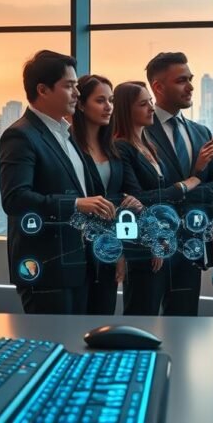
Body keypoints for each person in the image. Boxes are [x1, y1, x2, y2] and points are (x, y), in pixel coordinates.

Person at [0, 50, 117, 315]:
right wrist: (76, 204)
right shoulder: (20, 136)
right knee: (55, 348)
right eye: (69, 86)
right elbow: (15, 199)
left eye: (76, 86)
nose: (77, 93)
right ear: (43, 89)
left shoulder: (66, 134)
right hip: (47, 269)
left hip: (81, 265)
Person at [143, 52, 213, 316]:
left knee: (184, 325)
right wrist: (194, 179)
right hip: (152, 248)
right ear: (158, 87)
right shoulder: (139, 131)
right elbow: (139, 194)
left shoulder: (200, 132)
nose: (191, 86)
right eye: (182, 80)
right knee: (142, 320)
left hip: (190, 245)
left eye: (190, 79)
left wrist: (178, 191)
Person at [110, 81, 199, 315]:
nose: (151, 107)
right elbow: (134, 199)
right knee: (142, 315)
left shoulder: (148, 145)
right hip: (144, 248)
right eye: (143, 104)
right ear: (125, 110)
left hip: (168, 242)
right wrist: (182, 186)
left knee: (178, 317)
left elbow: (151, 199)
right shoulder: (121, 147)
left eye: (150, 101)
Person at [71, 74, 141, 315]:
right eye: (100, 100)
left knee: (101, 324)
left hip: (107, 251)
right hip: (76, 251)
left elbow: (119, 203)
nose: (108, 106)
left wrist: (119, 249)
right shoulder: (67, 146)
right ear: (80, 104)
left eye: (110, 100)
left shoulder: (113, 148)